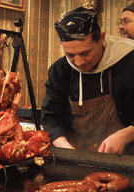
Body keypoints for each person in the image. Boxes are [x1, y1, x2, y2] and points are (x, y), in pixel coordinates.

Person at [41, 7, 134, 155]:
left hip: (127, 159)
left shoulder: (128, 61)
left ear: (101, 38)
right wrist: (65, 147)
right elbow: (51, 117)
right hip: (76, 156)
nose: (78, 62)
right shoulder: (60, 70)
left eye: (85, 53)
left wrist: (127, 134)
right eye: (70, 55)